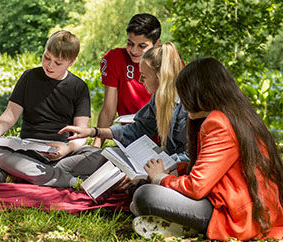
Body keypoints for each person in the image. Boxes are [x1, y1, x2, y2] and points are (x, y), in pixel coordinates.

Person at [130, 58, 283, 240]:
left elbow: (197, 187)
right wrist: (177, 169)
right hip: (245, 208)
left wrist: (161, 178)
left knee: (146, 195)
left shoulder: (218, 123)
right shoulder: (238, 116)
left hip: (235, 215)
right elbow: (213, 169)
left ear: (199, 93)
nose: (182, 101)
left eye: (184, 94)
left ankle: (182, 226)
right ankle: (173, 224)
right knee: (141, 194)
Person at [0, 30, 103, 188]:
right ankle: (65, 179)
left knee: (99, 155)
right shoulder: (29, 77)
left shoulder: (79, 87)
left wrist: (67, 148)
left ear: (71, 62)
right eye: (46, 57)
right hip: (28, 148)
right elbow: (10, 114)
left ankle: (24, 173)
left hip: (61, 151)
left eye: (57, 63)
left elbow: (81, 133)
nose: (49, 65)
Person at [59, 42, 187, 190]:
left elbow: (190, 157)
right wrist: (94, 131)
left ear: (160, 77)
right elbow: (137, 129)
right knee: (98, 157)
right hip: (159, 164)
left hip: (178, 173)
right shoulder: (158, 100)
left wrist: (147, 172)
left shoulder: (186, 106)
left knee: (142, 193)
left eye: (143, 76)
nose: (140, 81)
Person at [93, 13, 161, 148]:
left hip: (163, 141)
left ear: (156, 43)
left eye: (142, 46)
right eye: (130, 44)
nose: (134, 51)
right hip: (130, 139)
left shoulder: (168, 63)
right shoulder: (114, 59)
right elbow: (108, 110)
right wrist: (96, 145)